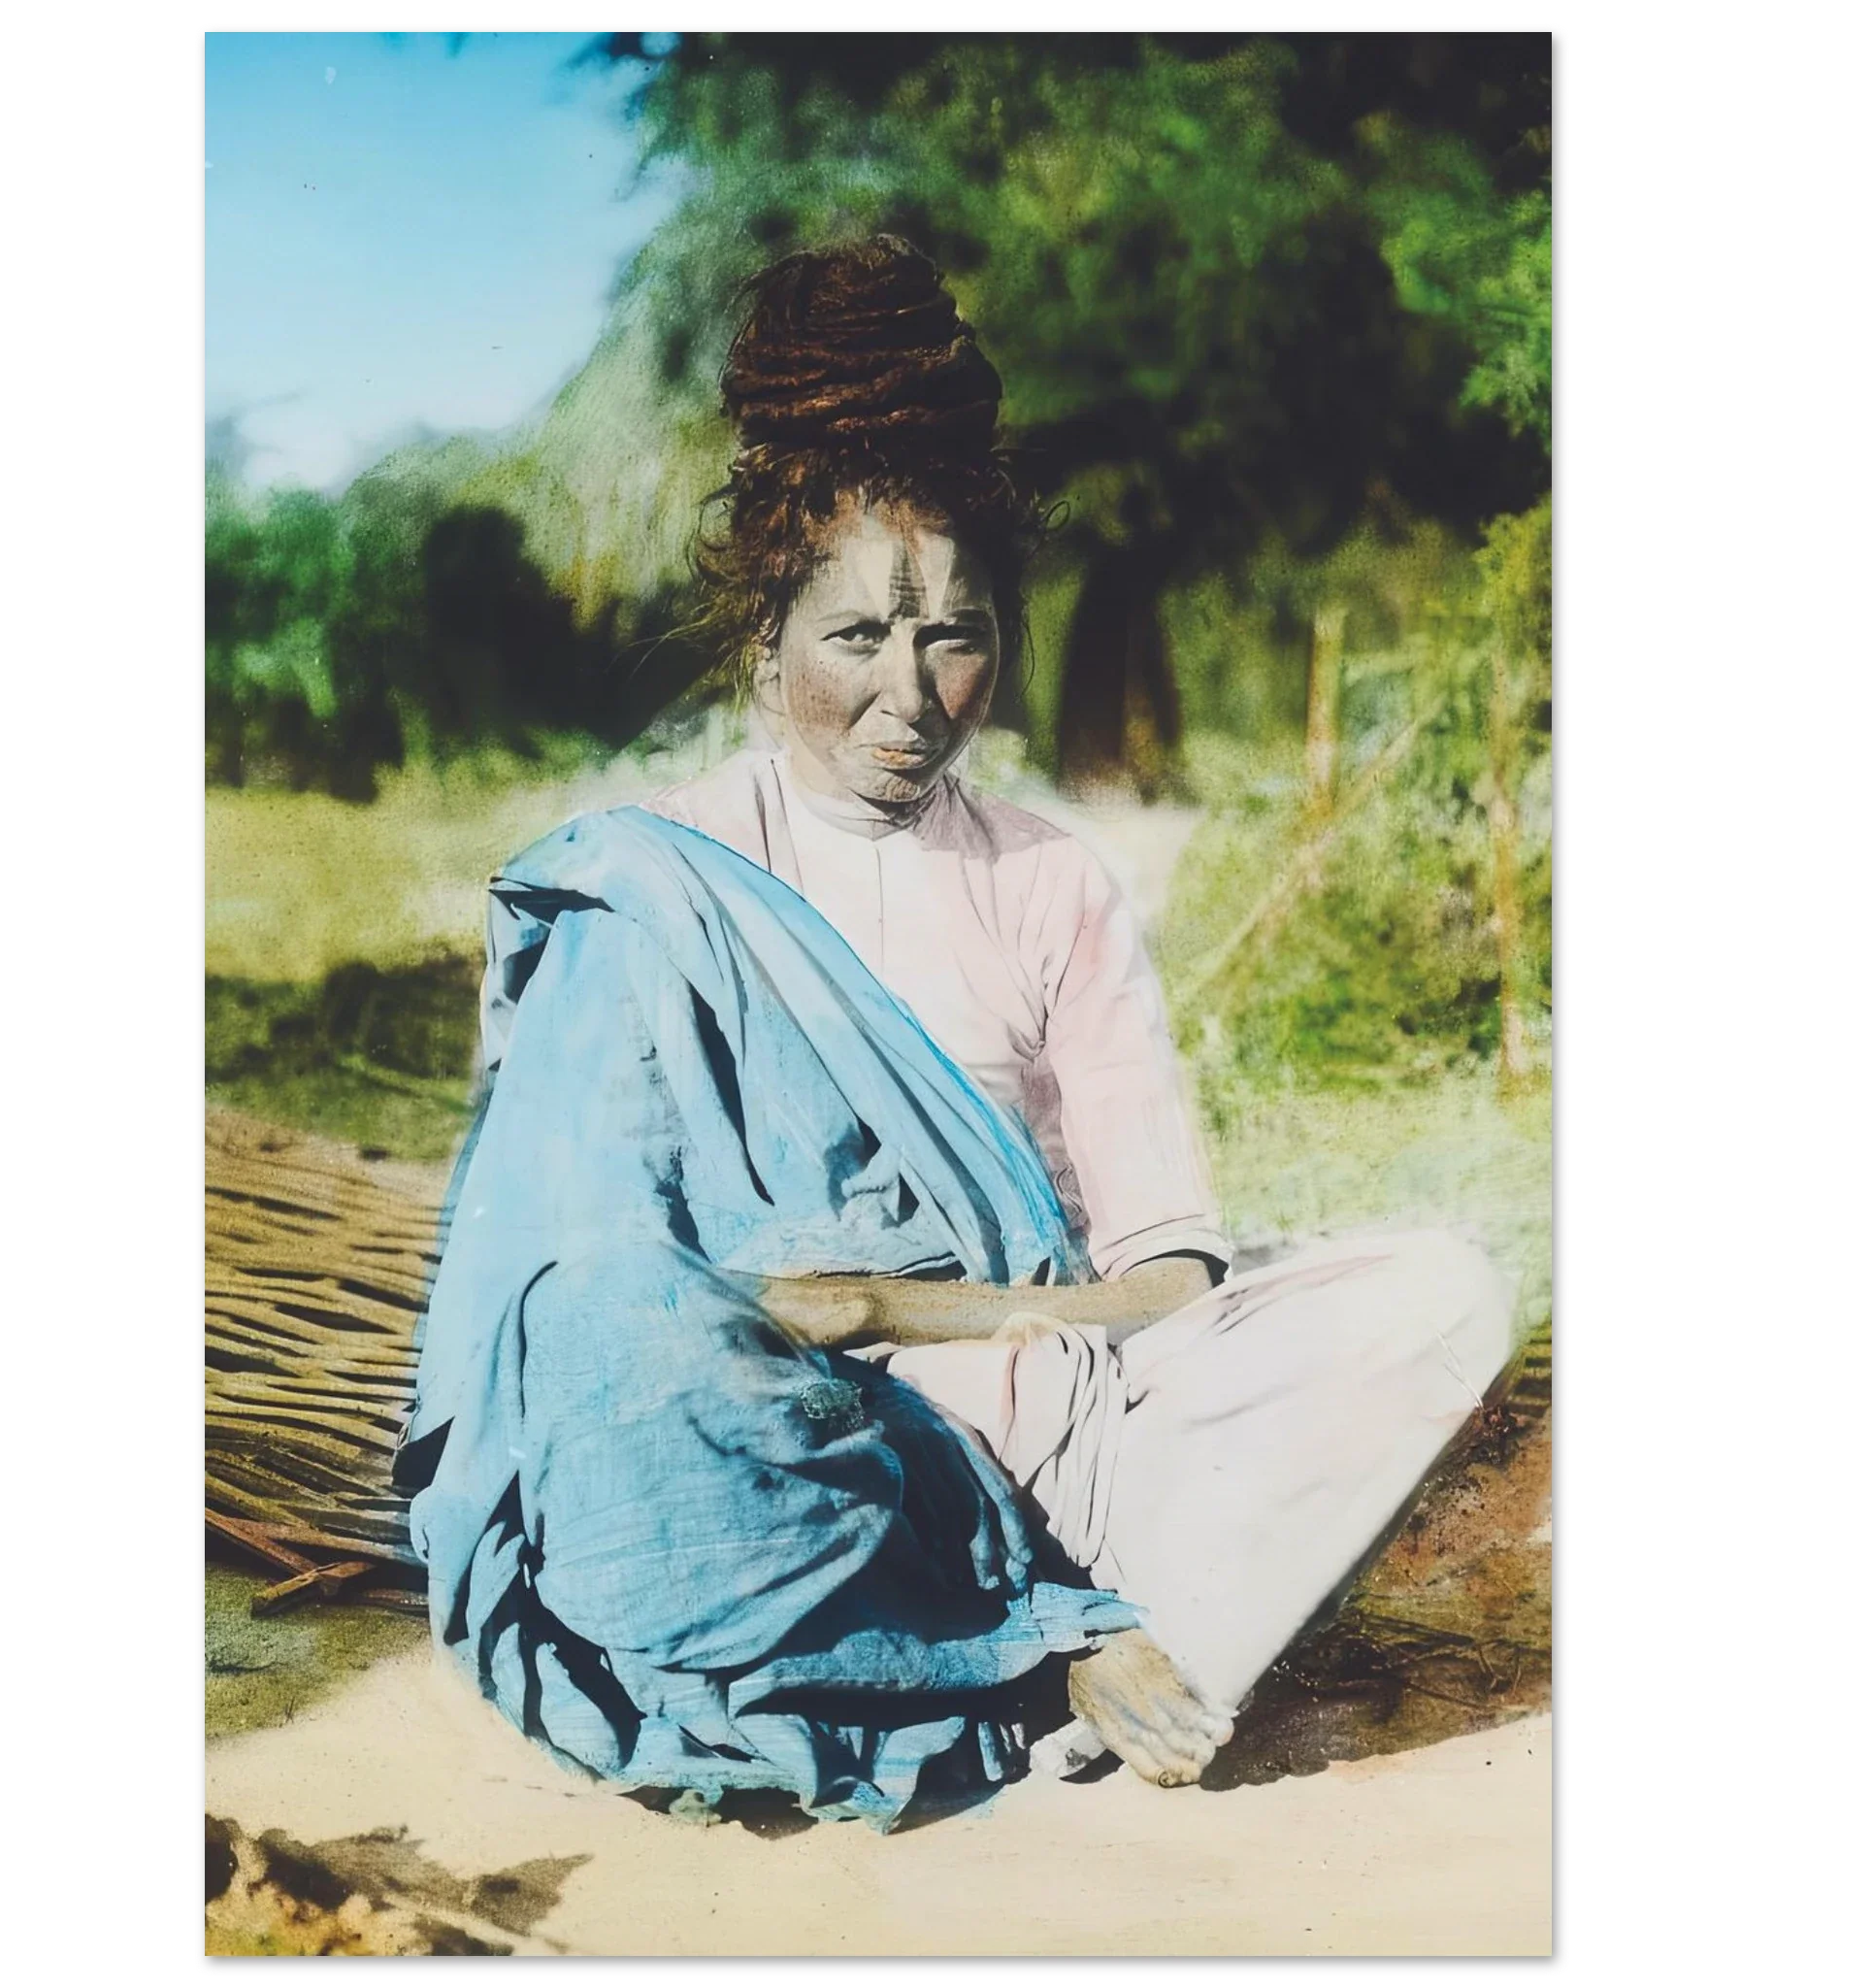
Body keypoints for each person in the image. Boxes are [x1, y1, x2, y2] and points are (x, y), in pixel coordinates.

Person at [395, 237, 1515, 1824]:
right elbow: (589, 1273)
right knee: (609, 1354)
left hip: (1062, 1436)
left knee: (1439, 1292)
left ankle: (1008, 1630)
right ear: (764, 636)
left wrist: (913, 1308)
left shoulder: (1053, 879)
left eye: (956, 635)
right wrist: (823, 1343)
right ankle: (1044, 1653)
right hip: (788, 1457)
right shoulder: (649, 883)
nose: (910, 693)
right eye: (856, 635)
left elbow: (1173, 1272)